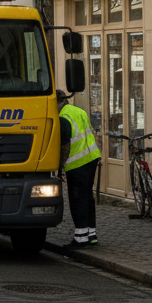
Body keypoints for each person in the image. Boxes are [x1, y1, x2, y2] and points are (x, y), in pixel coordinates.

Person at [55, 90, 101, 252]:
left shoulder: (63, 118)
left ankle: (80, 238)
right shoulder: (78, 111)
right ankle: (91, 234)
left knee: (77, 199)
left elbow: (65, 146)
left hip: (77, 162)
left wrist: (60, 167)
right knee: (87, 197)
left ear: (57, 103)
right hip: (92, 157)